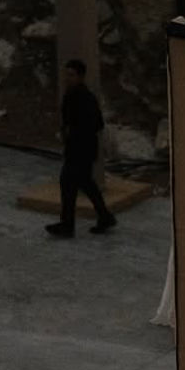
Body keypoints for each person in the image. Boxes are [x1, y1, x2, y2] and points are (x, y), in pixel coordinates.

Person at [46, 59, 116, 238]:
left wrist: (74, 133)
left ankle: (68, 224)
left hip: (81, 149)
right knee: (85, 183)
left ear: (80, 76)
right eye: (67, 74)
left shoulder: (84, 98)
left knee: (69, 183)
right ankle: (103, 216)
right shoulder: (74, 95)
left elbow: (95, 123)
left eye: (71, 75)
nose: (67, 78)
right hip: (78, 148)